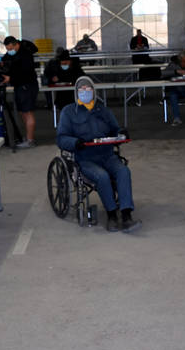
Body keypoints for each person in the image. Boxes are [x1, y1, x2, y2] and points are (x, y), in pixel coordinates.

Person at [56, 76, 141, 233]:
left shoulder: (103, 110)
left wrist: (121, 133)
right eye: (81, 89)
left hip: (107, 155)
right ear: (76, 92)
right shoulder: (68, 112)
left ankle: (126, 214)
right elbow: (61, 138)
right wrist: (75, 142)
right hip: (85, 158)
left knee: (123, 171)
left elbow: (115, 129)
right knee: (102, 176)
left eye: (88, 89)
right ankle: (111, 215)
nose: (85, 92)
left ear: (94, 91)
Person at [2, 36, 39, 149]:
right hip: (20, 86)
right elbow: (6, 59)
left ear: (16, 44)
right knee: (23, 112)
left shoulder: (25, 54)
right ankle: (28, 137)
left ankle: (30, 140)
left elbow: (24, 73)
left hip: (27, 86)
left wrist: (10, 78)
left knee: (28, 113)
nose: (9, 51)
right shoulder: (16, 54)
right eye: (7, 49)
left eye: (10, 48)